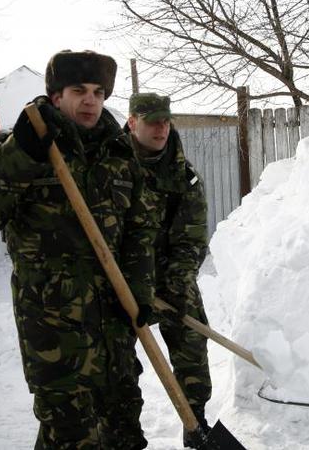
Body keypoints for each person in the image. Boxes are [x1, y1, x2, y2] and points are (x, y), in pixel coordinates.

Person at [0, 50, 158, 450]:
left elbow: (140, 230)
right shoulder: (28, 148)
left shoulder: (120, 155)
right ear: (56, 96)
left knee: (124, 435)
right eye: (79, 90)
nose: (90, 100)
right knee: (70, 438)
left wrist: (141, 289)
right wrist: (20, 152)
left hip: (115, 334)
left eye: (98, 92)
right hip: (57, 334)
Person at [124, 93, 212, 450]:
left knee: (193, 341)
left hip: (167, 277)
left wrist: (176, 284)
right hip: (121, 280)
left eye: (165, 121)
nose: (161, 128)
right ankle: (121, 429)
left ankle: (196, 422)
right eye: (152, 121)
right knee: (114, 361)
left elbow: (191, 239)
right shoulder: (108, 166)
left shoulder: (184, 176)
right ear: (132, 122)